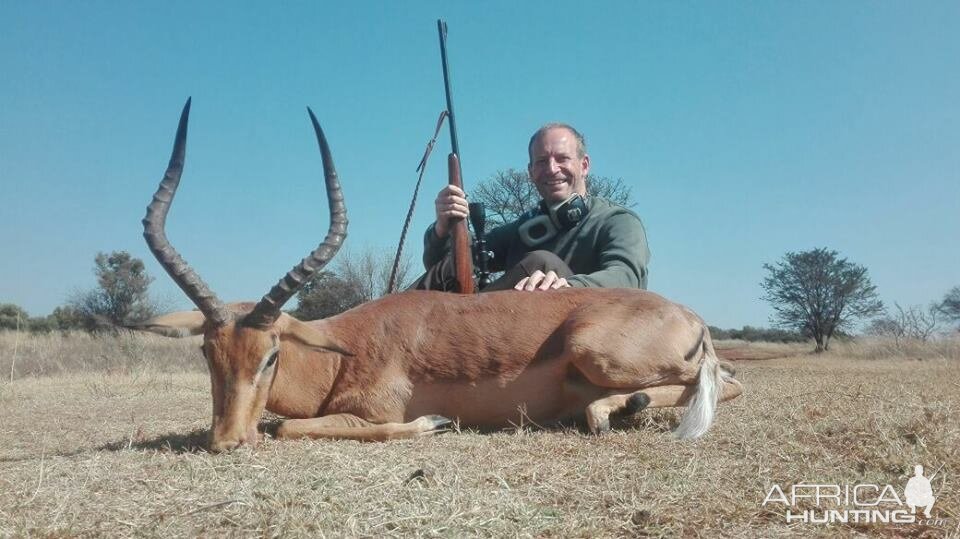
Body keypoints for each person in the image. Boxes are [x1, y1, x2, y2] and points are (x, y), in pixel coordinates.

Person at [412, 123, 650, 292]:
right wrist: (443, 229)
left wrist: (569, 286)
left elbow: (627, 277)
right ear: (531, 172)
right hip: (515, 338)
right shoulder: (524, 228)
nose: (552, 169)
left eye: (562, 158)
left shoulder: (618, 220)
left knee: (540, 263)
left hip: (582, 335)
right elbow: (444, 268)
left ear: (584, 165)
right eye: (542, 161)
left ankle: (460, 322)